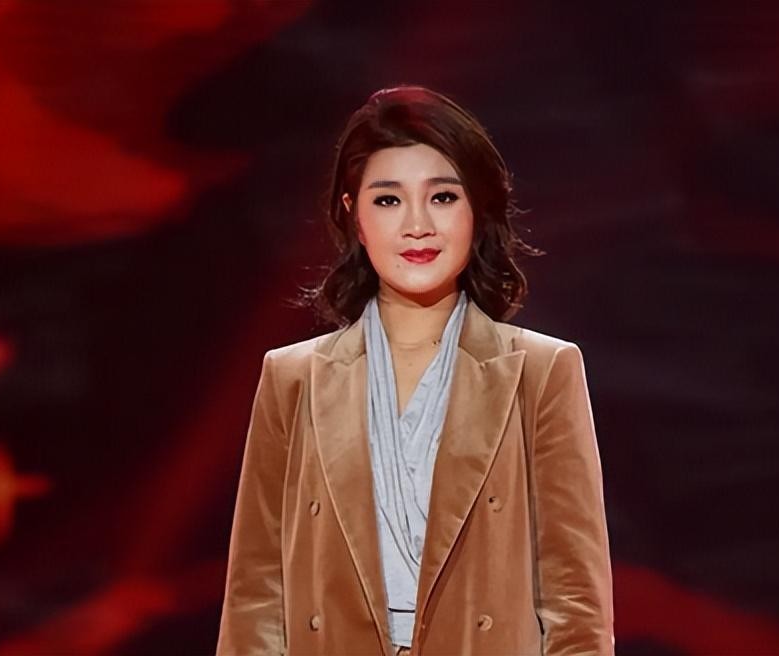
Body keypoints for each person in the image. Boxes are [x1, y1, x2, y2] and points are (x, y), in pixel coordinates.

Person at [216, 85, 614, 656]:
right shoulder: (293, 378)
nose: (417, 225)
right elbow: (256, 597)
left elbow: (575, 604)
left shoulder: (541, 372)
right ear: (353, 216)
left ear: (477, 210)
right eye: (388, 200)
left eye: (443, 197)